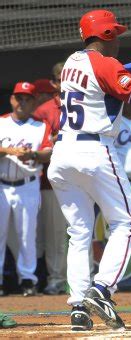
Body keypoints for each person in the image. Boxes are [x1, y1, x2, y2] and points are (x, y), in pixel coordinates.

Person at [47, 9, 131, 331]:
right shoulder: (103, 63)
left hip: (63, 153)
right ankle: (102, 289)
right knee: (125, 222)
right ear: (105, 36)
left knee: (79, 232)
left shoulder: (75, 60)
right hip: (94, 150)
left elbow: (121, 72)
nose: (117, 39)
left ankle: (78, 306)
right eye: (114, 34)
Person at [0, 82, 53, 297]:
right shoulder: (1, 122)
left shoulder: (40, 126)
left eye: (27, 98)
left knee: (27, 234)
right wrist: (9, 150)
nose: (22, 102)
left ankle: (28, 280)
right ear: (12, 99)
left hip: (28, 184)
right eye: (19, 97)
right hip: (2, 184)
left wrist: (32, 155)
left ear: (33, 102)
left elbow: (49, 152)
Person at [34, 62, 68, 296]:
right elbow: (36, 145)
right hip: (51, 179)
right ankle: (56, 278)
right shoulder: (44, 110)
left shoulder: (89, 101)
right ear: (55, 82)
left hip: (81, 177)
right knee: (55, 234)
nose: (65, 80)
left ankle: (81, 279)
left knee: (81, 230)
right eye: (61, 77)